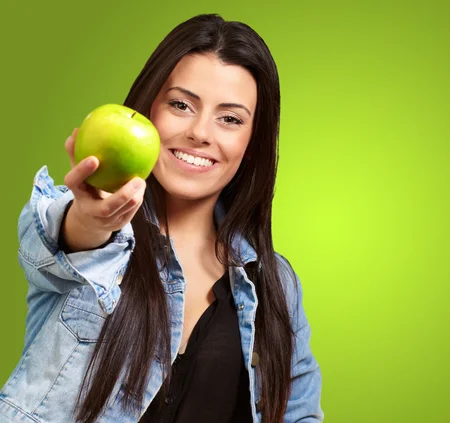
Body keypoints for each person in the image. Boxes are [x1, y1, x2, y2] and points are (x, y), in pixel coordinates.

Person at [0, 13, 323, 423]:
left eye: (230, 118)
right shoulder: (96, 245)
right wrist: (93, 222)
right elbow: (55, 239)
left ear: (252, 140)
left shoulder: (275, 287)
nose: (200, 133)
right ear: (148, 108)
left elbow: (297, 414)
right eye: (181, 105)